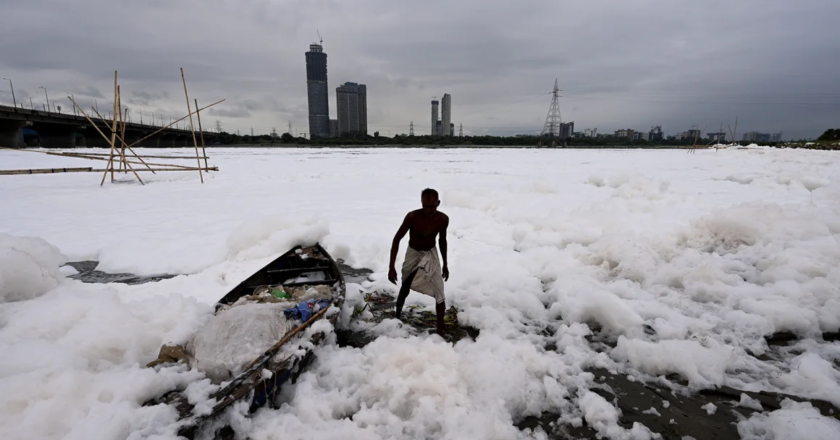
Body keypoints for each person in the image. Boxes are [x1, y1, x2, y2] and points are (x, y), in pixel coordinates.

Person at [388, 188, 450, 336]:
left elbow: (442, 241)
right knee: (406, 284)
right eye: (425, 206)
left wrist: (446, 264)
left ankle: (440, 330)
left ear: (438, 203)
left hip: (430, 252)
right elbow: (397, 239)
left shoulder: (442, 219)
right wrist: (391, 267)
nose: (428, 210)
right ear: (421, 203)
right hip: (413, 252)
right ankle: (397, 316)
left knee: (439, 290)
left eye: (432, 206)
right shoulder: (412, 217)